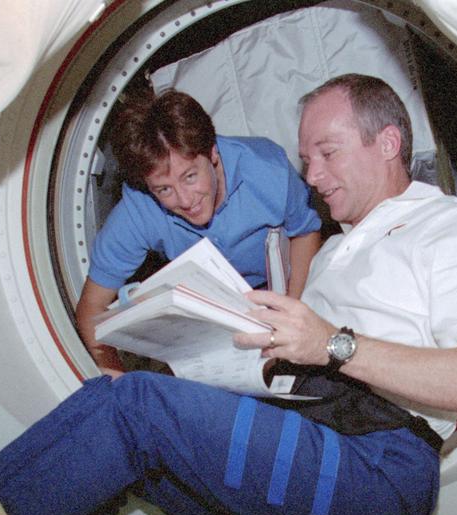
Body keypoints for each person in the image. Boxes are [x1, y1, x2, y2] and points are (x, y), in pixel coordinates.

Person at [0, 74, 457, 515]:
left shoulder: (452, 228)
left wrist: (330, 343)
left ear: (389, 143)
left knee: (137, 406)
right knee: (103, 452)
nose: (312, 175)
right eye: (306, 159)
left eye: (327, 153)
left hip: (377, 471)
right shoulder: (334, 253)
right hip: (308, 426)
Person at [77, 88, 323, 371]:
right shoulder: (139, 208)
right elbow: (91, 307)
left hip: (278, 290)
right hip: (206, 315)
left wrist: (290, 313)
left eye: (190, 176)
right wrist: (116, 376)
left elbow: (305, 231)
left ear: (213, 153)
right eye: (164, 189)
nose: (184, 200)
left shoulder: (266, 168)